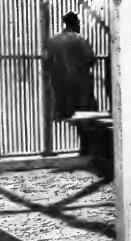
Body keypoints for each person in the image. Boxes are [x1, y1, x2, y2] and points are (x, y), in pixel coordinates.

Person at [42, 12, 98, 155]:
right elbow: (91, 60)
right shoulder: (80, 39)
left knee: (70, 116)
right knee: (87, 118)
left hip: (61, 88)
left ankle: (49, 148)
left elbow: (46, 64)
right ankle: (87, 150)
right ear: (76, 23)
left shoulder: (53, 41)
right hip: (81, 87)